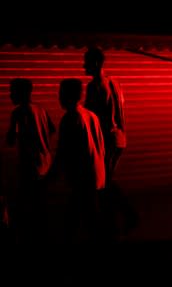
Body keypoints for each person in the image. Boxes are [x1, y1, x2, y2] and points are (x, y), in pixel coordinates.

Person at [83, 47, 137, 240]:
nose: (83, 66)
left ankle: (118, 220)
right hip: (119, 137)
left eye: (86, 62)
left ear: (96, 63)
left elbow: (92, 116)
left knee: (104, 182)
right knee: (107, 180)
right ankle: (123, 217)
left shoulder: (94, 86)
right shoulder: (114, 82)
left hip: (107, 139)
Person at [46, 78, 105, 243]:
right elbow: (100, 146)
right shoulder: (91, 115)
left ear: (66, 95)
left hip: (82, 177)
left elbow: (63, 151)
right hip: (94, 175)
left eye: (60, 93)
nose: (59, 97)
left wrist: (51, 176)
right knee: (85, 215)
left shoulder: (70, 119)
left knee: (82, 218)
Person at [6, 78, 55, 243]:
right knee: (41, 201)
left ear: (21, 93)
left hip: (31, 166)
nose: (10, 95)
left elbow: (10, 140)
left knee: (29, 201)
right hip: (45, 162)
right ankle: (44, 233)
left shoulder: (19, 113)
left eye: (12, 91)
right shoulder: (40, 109)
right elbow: (52, 128)